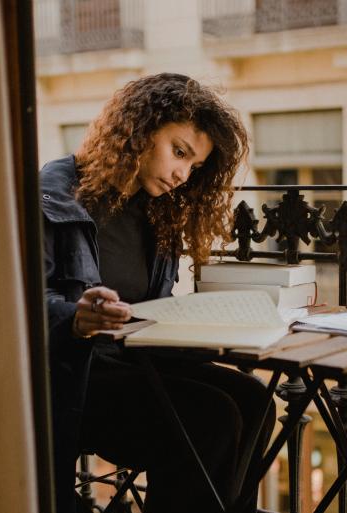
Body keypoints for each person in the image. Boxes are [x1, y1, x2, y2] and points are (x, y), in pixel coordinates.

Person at [41, 73, 276, 513]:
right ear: (137, 130)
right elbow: (15, 307)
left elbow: (150, 312)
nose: (183, 174)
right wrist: (75, 316)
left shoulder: (157, 213)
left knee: (255, 399)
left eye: (195, 166)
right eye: (180, 152)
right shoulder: (52, 197)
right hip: (73, 378)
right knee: (211, 416)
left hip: (135, 362)